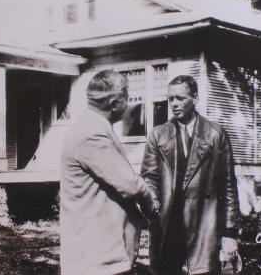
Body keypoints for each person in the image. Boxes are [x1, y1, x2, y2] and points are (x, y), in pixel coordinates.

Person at [141, 75, 242, 275]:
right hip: (167, 228)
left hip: (204, 228)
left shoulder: (215, 134)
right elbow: (149, 177)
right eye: (170, 99)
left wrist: (230, 233)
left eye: (180, 98)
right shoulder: (157, 135)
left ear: (195, 98)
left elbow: (228, 185)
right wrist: (153, 202)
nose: (174, 104)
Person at [60, 70, 158, 275]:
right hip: (97, 259)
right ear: (114, 104)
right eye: (127, 97)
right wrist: (151, 207)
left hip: (98, 254)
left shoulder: (92, 125)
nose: (128, 103)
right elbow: (130, 185)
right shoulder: (91, 133)